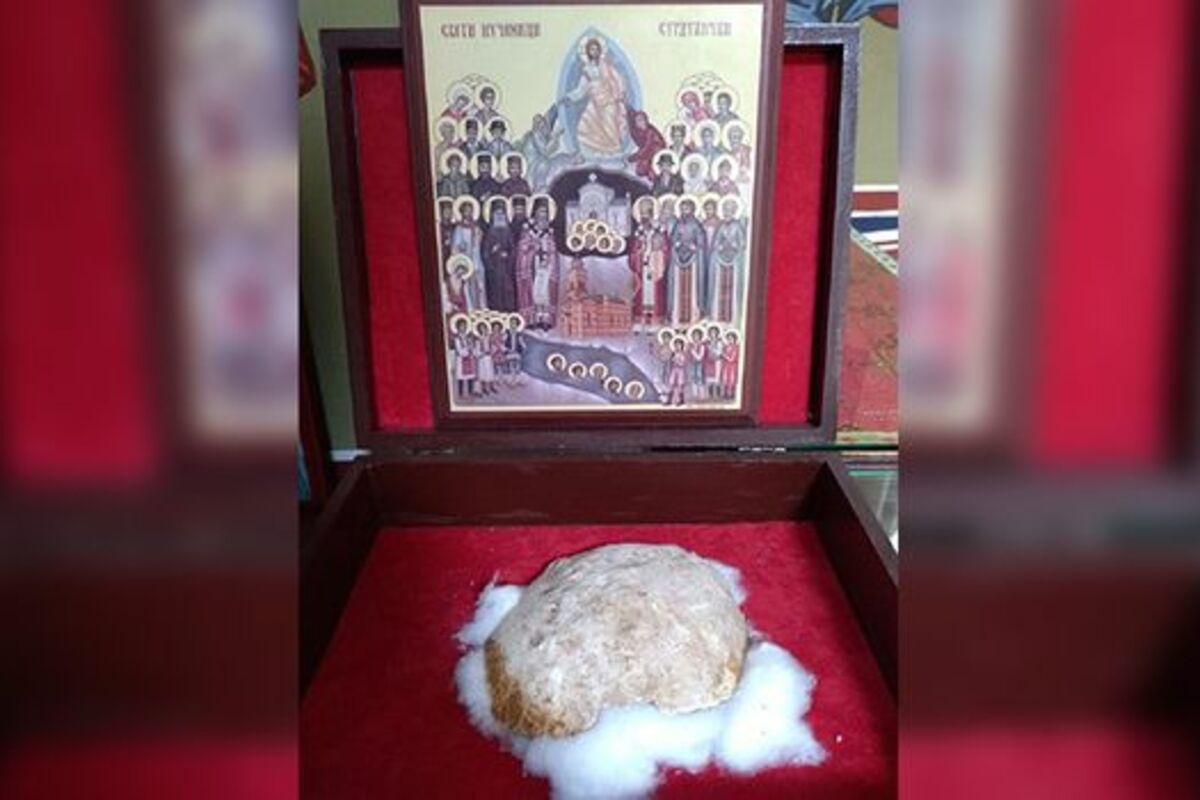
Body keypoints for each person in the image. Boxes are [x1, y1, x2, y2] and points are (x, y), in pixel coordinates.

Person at [562, 36, 630, 158]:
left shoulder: (607, 66)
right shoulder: (586, 69)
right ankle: (592, 154)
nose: (594, 52)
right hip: (595, 102)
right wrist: (569, 98)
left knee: (610, 128)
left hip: (609, 101)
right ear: (588, 52)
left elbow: (618, 80)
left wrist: (620, 93)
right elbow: (581, 89)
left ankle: (613, 153)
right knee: (585, 125)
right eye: (591, 49)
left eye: (596, 49)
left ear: (600, 51)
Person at [516, 199, 560, 329]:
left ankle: (545, 320)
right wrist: (532, 249)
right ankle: (532, 320)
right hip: (532, 267)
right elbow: (522, 249)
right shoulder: (528, 232)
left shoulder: (550, 233)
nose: (543, 215)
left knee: (545, 293)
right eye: (540, 212)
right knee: (533, 293)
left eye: (545, 212)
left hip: (545, 268)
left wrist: (549, 257)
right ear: (534, 214)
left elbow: (553, 250)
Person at [628, 197, 669, 327]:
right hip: (643, 266)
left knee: (655, 292)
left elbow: (666, 247)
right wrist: (639, 248)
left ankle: (656, 318)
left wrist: (659, 246)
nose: (645, 215)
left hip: (656, 265)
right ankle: (640, 318)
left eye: (648, 211)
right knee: (641, 292)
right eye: (643, 211)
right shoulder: (638, 231)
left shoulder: (659, 229)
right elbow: (633, 250)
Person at [667, 197, 706, 325]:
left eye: (687, 209)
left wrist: (694, 246)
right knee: (678, 287)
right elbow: (673, 238)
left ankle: (693, 317)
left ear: (692, 210)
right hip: (679, 260)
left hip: (693, 260)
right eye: (682, 209)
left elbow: (701, 240)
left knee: (692, 287)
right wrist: (676, 243)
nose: (684, 211)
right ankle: (677, 316)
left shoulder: (696, 225)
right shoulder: (678, 224)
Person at [709, 198, 746, 323]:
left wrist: (736, 245)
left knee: (732, 287)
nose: (726, 213)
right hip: (721, 261)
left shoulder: (737, 226)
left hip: (734, 261)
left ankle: (732, 317)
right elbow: (715, 242)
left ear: (734, 212)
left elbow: (743, 243)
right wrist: (719, 246)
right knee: (720, 287)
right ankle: (718, 316)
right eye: (725, 210)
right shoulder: (720, 226)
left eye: (729, 210)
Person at [481, 198, 517, 312]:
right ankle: (496, 310)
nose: (500, 216)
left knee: (507, 290)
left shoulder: (508, 231)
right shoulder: (489, 232)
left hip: (506, 268)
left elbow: (513, 249)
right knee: (495, 291)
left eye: (502, 213)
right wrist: (492, 254)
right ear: (493, 215)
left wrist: (508, 256)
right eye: (497, 213)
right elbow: (485, 252)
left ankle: (508, 310)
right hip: (494, 268)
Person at [450, 200, 486, 308]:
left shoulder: (476, 227)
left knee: (479, 286)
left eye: (470, 211)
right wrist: (461, 248)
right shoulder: (459, 228)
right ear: (462, 212)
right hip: (465, 261)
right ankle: (470, 308)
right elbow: (455, 247)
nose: (468, 213)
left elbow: (480, 245)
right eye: (466, 211)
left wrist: (478, 238)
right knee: (467, 287)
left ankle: (480, 307)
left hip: (476, 260)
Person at [626, 110, 666, 179]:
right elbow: (642, 147)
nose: (641, 122)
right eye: (638, 121)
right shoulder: (638, 132)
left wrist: (635, 157)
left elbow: (647, 147)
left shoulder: (650, 132)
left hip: (655, 152)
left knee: (647, 170)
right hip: (647, 154)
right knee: (640, 170)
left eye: (642, 120)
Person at [450, 317, 477, 398]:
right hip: (461, 359)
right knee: (461, 377)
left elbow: (472, 346)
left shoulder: (468, 337)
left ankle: (470, 392)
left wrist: (472, 348)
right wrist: (467, 351)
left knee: (470, 376)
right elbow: (458, 349)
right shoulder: (457, 338)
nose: (463, 327)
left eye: (464, 325)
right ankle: (461, 393)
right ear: (458, 327)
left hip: (469, 358)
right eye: (461, 326)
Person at [474, 320, 497, 395]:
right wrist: (481, 354)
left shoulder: (489, 337)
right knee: (482, 373)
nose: (483, 329)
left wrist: (492, 351)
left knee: (489, 373)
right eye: (481, 328)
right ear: (479, 330)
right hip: (482, 358)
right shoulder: (478, 339)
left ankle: (489, 387)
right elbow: (476, 349)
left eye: (484, 328)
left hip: (489, 357)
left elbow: (493, 345)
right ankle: (482, 388)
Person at [665, 337, 688, 406]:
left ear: (682, 346)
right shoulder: (673, 353)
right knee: (671, 384)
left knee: (680, 385)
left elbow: (683, 363)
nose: (677, 346)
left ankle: (681, 400)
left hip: (680, 370)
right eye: (676, 345)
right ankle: (669, 400)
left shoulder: (683, 354)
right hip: (674, 370)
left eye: (679, 345)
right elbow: (670, 362)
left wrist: (677, 361)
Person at [687, 327, 707, 401]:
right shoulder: (691, 345)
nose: (696, 337)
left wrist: (693, 351)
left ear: (700, 336)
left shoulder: (702, 346)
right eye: (694, 335)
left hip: (700, 364)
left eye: (697, 335)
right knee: (693, 378)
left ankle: (702, 395)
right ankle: (695, 394)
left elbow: (699, 357)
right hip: (693, 364)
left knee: (700, 378)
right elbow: (688, 356)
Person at [704, 325, 723, 399]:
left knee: (717, 377)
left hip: (717, 361)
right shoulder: (707, 342)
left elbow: (720, 352)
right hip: (709, 362)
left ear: (717, 333)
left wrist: (713, 350)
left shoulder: (719, 342)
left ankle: (718, 393)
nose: (713, 334)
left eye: (714, 332)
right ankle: (710, 394)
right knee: (709, 377)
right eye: (711, 332)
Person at [720, 330, 740, 399]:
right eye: (728, 339)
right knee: (725, 379)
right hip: (725, 366)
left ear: (734, 340)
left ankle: (731, 394)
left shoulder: (735, 348)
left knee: (731, 380)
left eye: (731, 339)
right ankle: (725, 393)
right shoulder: (725, 347)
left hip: (732, 367)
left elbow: (732, 359)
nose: (729, 340)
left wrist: (724, 355)